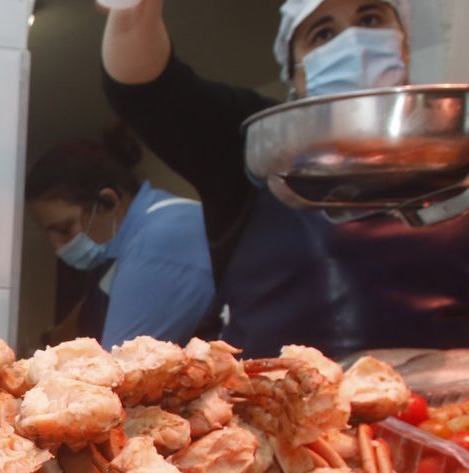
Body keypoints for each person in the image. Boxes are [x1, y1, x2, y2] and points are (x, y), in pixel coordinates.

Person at [101, 0, 469, 359]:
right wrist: (135, 7)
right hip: (279, 408)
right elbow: (144, 87)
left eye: (370, 19)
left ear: (403, 44)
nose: (353, 42)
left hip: (444, 409)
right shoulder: (252, 142)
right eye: (323, 33)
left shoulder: (454, 138)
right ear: (295, 72)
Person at [25, 127, 215, 347]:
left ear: (108, 202)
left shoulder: (158, 242)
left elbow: (121, 374)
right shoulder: (130, 242)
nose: (58, 247)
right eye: (49, 235)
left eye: (65, 229)